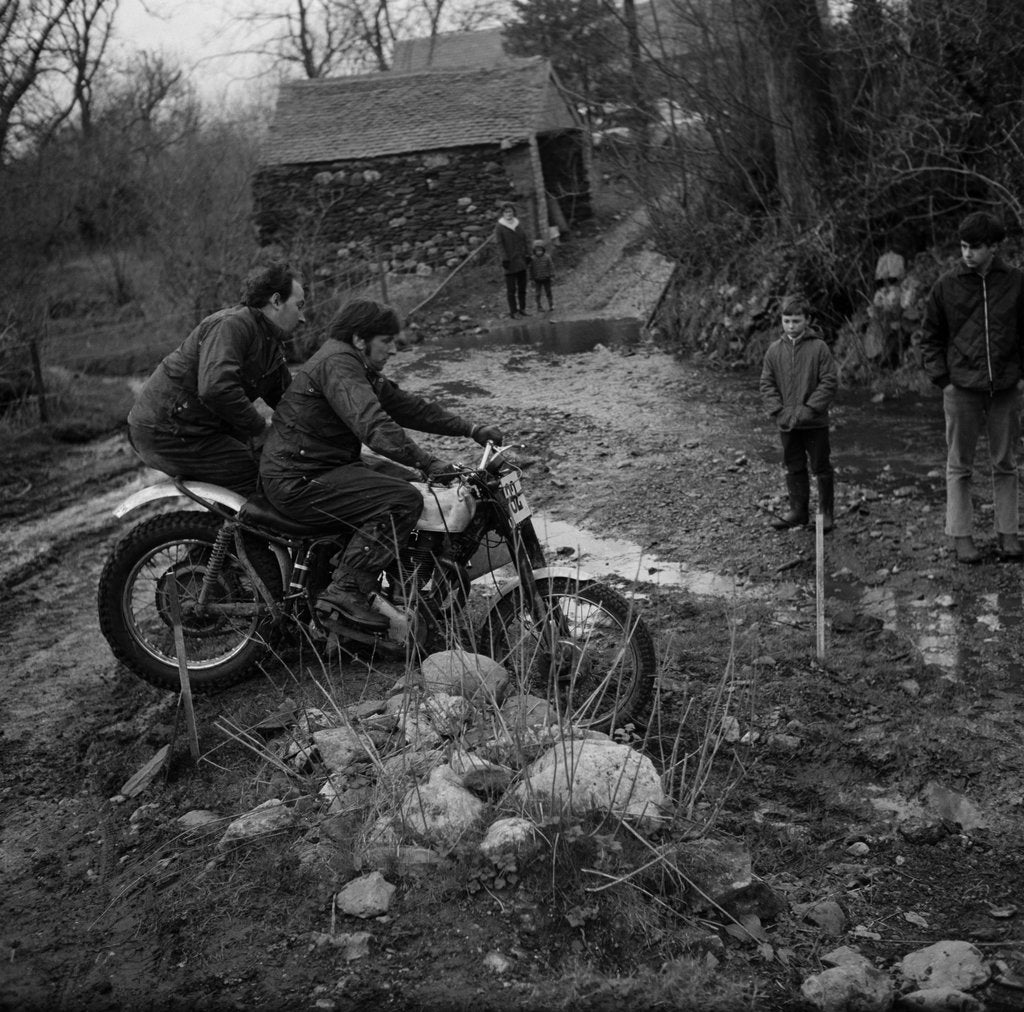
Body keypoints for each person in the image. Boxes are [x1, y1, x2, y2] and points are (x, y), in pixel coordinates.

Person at [259, 299, 504, 630]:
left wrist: (470, 429)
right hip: (298, 478)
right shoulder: (338, 364)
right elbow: (373, 425)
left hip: (323, 466)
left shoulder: (353, 363)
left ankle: (401, 587)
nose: (392, 349)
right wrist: (428, 461)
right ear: (361, 339)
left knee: (413, 486)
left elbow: (407, 406)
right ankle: (345, 590)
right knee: (402, 501)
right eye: (386, 341)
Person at [127, 261, 305, 496]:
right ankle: (240, 532)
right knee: (261, 473)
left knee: (280, 460)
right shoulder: (233, 325)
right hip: (166, 430)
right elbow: (216, 388)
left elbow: (290, 402)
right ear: (276, 301)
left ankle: (234, 529)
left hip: (197, 426)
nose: (303, 318)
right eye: (299, 306)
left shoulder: (269, 343)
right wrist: (260, 428)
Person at [921, 210, 1024, 564]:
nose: (968, 253)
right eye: (964, 246)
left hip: (1006, 387)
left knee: (1005, 462)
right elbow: (930, 338)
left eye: (976, 247)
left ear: (993, 247)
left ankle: (1008, 534)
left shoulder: (1015, 282)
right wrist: (944, 382)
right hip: (961, 388)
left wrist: (1019, 374)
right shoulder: (945, 286)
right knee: (959, 464)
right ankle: (962, 537)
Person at [760, 294, 838, 532]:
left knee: (821, 466)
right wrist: (778, 411)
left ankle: (825, 513)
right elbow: (767, 383)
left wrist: (810, 409)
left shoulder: (819, 348)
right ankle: (798, 511)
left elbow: (829, 381)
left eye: (796, 320)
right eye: (786, 321)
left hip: (814, 423)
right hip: (787, 423)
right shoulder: (774, 351)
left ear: (807, 320)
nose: (791, 326)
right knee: (793, 465)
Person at [495, 202, 531, 319]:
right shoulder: (499, 227)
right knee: (511, 289)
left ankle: (522, 309)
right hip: (509, 262)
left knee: (522, 287)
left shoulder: (518, 224)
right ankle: (513, 311)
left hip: (521, 260)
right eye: (506, 212)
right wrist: (504, 258)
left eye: (510, 211)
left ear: (513, 212)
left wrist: (528, 254)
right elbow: (500, 244)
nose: (508, 214)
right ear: (502, 214)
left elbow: (525, 240)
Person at [529, 239, 555, 313]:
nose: (539, 252)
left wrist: (552, 275)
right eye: (537, 250)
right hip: (537, 279)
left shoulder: (547, 257)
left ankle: (551, 304)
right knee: (537, 293)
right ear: (534, 250)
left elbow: (551, 266)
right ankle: (539, 306)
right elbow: (530, 269)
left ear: (543, 249)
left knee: (548, 292)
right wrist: (531, 279)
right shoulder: (532, 259)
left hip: (546, 278)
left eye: (540, 250)